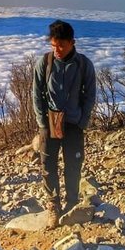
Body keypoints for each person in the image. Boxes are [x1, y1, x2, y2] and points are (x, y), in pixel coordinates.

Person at [32, 20, 96, 228]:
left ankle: (71, 203)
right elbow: (36, 94)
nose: (57, 50)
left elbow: (90, 95)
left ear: (72, 43)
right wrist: (42, 122)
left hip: (73, 124)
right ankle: (53, 205)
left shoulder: (84, 64)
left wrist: (82, 122)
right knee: (48, 166)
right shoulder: (45, 62)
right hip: (50, 123)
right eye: (53, 45)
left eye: (61, 45)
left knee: (73, 165)